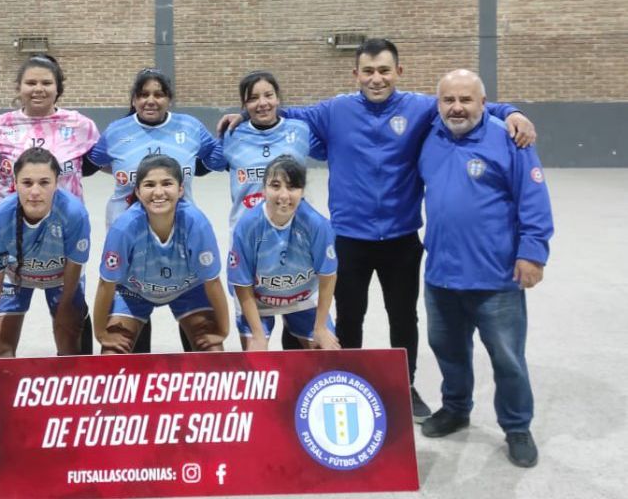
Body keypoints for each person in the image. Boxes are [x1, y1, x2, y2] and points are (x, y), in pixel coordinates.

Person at [218, 38, 538, 421]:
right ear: (355, 74)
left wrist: (513, 112)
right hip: (349, 239)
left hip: (401, 238)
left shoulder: (420, 109)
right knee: (350, 317)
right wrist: (243, 115)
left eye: (384, 70)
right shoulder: (335, 110)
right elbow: (280, 113)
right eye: (368, 71)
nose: (376, 78)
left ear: (399, 72)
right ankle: (349, 382)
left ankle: (405, 385)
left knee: (403, 318)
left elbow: (468, 104)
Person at [417, 69, 553, 468]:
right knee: (448, 350)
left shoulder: (509, 138)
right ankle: (456, 408)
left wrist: (533, 253)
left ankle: (516, 426)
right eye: (448, 100)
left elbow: (534, 199)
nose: (457, 107)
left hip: (495, 279)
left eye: (467, 100)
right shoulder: (430, 135)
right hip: (441, 275)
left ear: (483, 102)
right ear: (438, 103)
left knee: (508, 359)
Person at [88, 68, 224, 352]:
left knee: (205, 343)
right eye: (143, 94)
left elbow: (215, 157)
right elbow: (92, 162)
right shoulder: (117, 131)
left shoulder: (189, 127)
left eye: (159, 94)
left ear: (169, 99)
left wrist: (240, 125)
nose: (151, 100)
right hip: (132, 243)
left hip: (181, 243)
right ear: (134, 100)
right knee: (126, 345)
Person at [93, 154, 230, 354]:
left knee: (212, 350)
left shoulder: (196, 223)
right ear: (138, 192)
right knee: (111, 355)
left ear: (181, 189)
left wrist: (223, 331)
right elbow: (106, 283)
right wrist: (101, 334)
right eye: (149, 185)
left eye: (167, 183)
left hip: (188, 288)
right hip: (134, 291)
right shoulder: (123, 228)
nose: (158, 192)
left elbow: (213, 281)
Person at [0, 148, 91, 359]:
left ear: (57, 183)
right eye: (27, 183)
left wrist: (65, 308)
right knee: (0, 348)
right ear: (15, 183)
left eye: (44, 183)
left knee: (70, 345)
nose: (35, 191)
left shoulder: (75, 213)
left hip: (62, 277)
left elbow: (75, 265)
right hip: (16, 275)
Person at [228, 156, 339, 351]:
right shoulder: (247, 226)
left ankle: (294, 324)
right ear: (264, 189)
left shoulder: (318, 225)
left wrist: (320, 327)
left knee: (327, 355)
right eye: (275, 186)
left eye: (292, 187)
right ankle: (271, 330)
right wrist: (258, 335)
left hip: (303, 299)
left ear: (302, 191)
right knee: (256, 361)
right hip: (258, 302)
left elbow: (328, 276)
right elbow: (242, 285)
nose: (284, 195)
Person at [0, 53, 99, 206]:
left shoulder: (81, 125)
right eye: (31, 83)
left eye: (46, 83)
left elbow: (103, 164)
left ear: (58, 88)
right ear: (19, 88)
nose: (38, 89)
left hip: (65, 221)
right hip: (10, 222)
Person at [221, 71, 324, 231]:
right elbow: (210, 160)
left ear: (277, 99)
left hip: (293, 230)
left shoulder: (300, 130)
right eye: (253, 98)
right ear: (244, 105)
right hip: (246, 231)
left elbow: (326, 150)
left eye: (268, 95)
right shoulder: (232, 135)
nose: (262, 103)